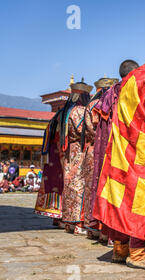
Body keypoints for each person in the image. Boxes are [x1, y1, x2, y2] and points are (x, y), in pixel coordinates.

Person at [93, 41, 145, 270]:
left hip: (121, 146)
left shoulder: (130, 78)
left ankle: (119, 250)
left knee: (122, 199)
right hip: (140, 149)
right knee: (140, 202)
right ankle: (138, 253)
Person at [86, 60, 139, 244]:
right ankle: (118, 235)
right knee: (122, 187)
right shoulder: (129, 90)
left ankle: (102, 230)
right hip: (123, 144)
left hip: (103, 145)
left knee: (105, 183)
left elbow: (91, 125)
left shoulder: (106, 95)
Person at [59, 80, 93, 235]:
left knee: (69, 186)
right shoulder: (80, 110)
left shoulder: (65, 111)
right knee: (80, 184)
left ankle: (68, 222)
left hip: (68, 152)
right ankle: (79, 224)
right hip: (79, 149)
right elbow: (85, 130)